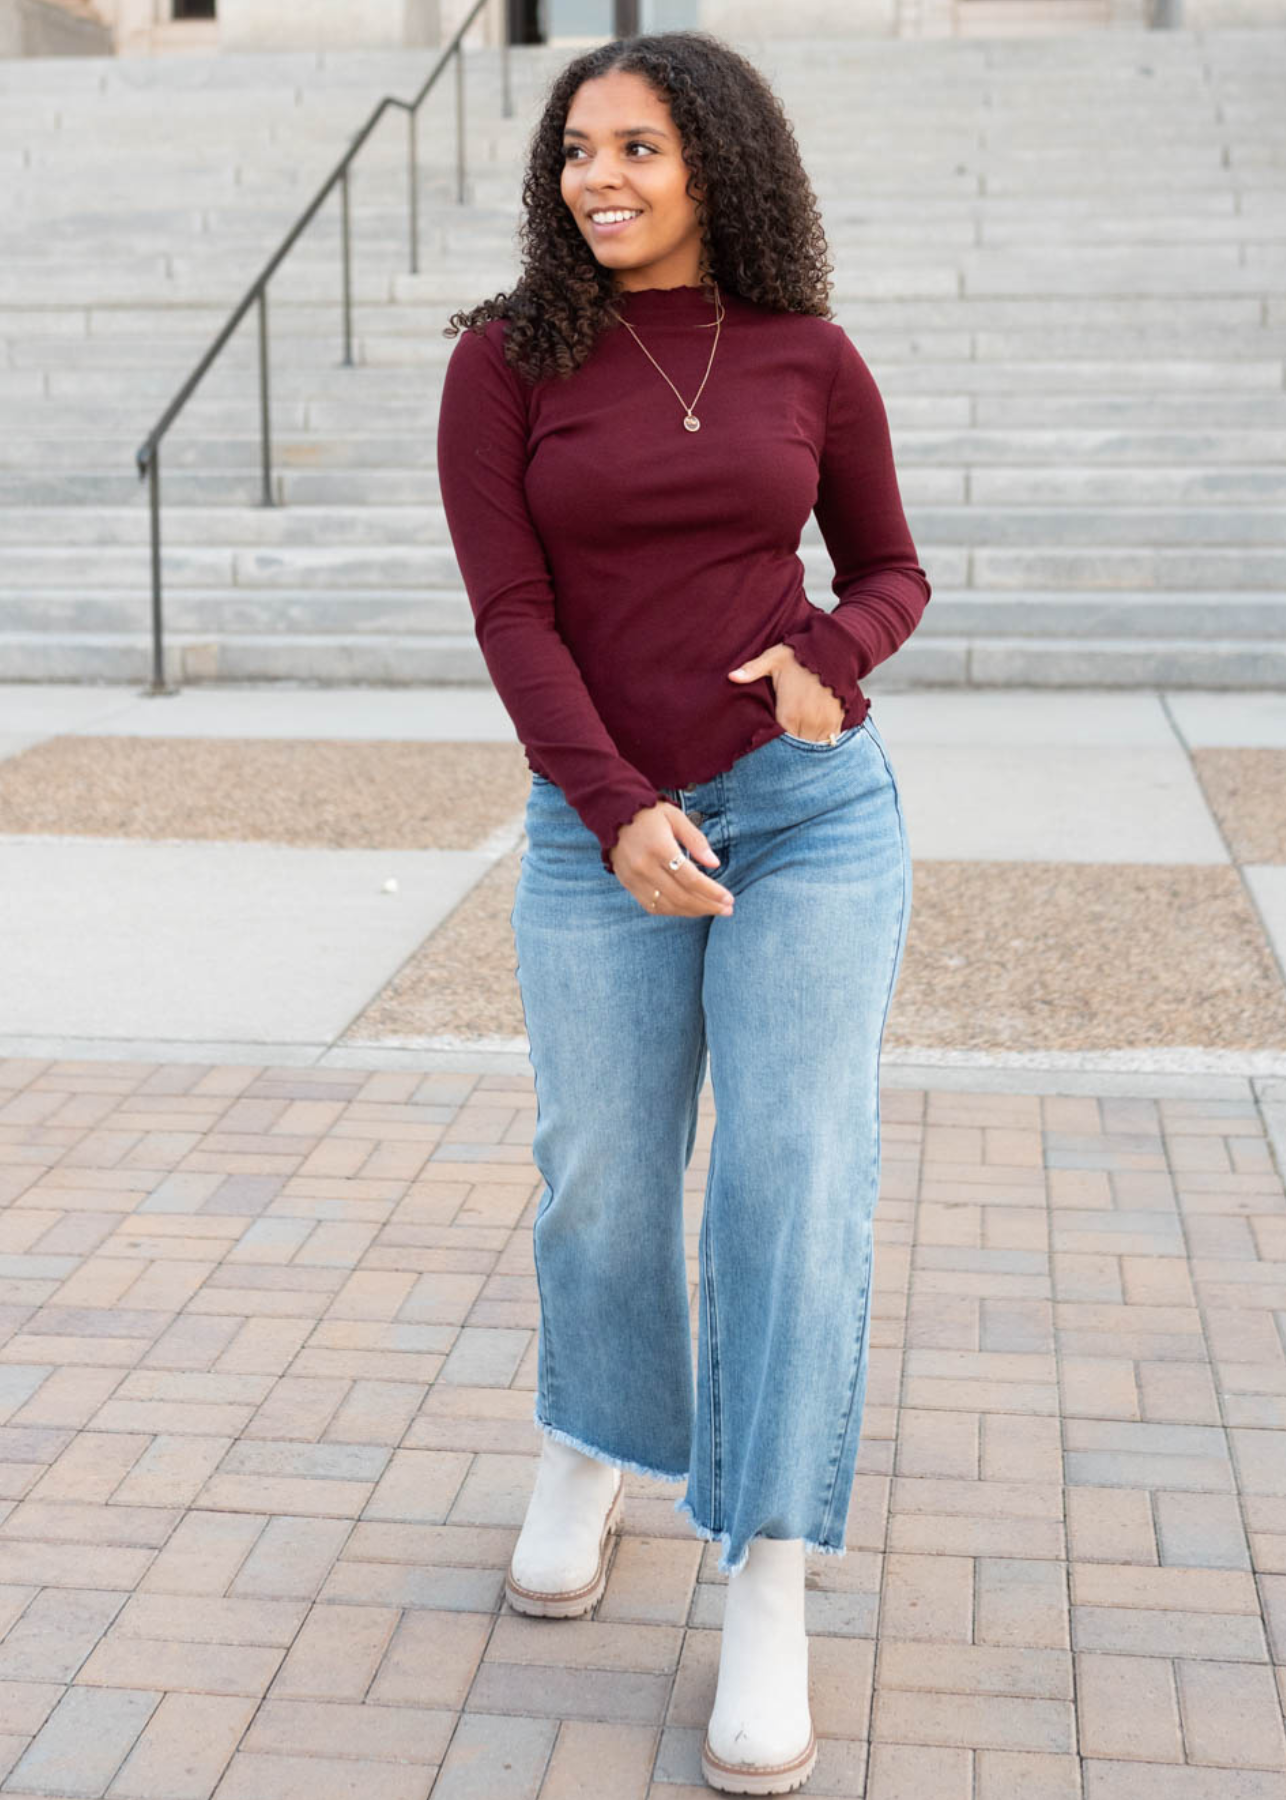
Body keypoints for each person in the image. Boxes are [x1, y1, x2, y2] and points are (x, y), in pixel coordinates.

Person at [436, 30, 929, 1795]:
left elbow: (891, 568)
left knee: (792, 1176)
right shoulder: (505, 361)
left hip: (807, 818)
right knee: (605, 1167)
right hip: (598, 832)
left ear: (716, 162)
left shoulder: (810, 355)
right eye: (579, 151)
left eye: (638, 147)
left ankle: (768, 1567)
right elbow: (511, 617)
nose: (601, 179)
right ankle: (592, 1438)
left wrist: (828, 659)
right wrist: (617, 807)